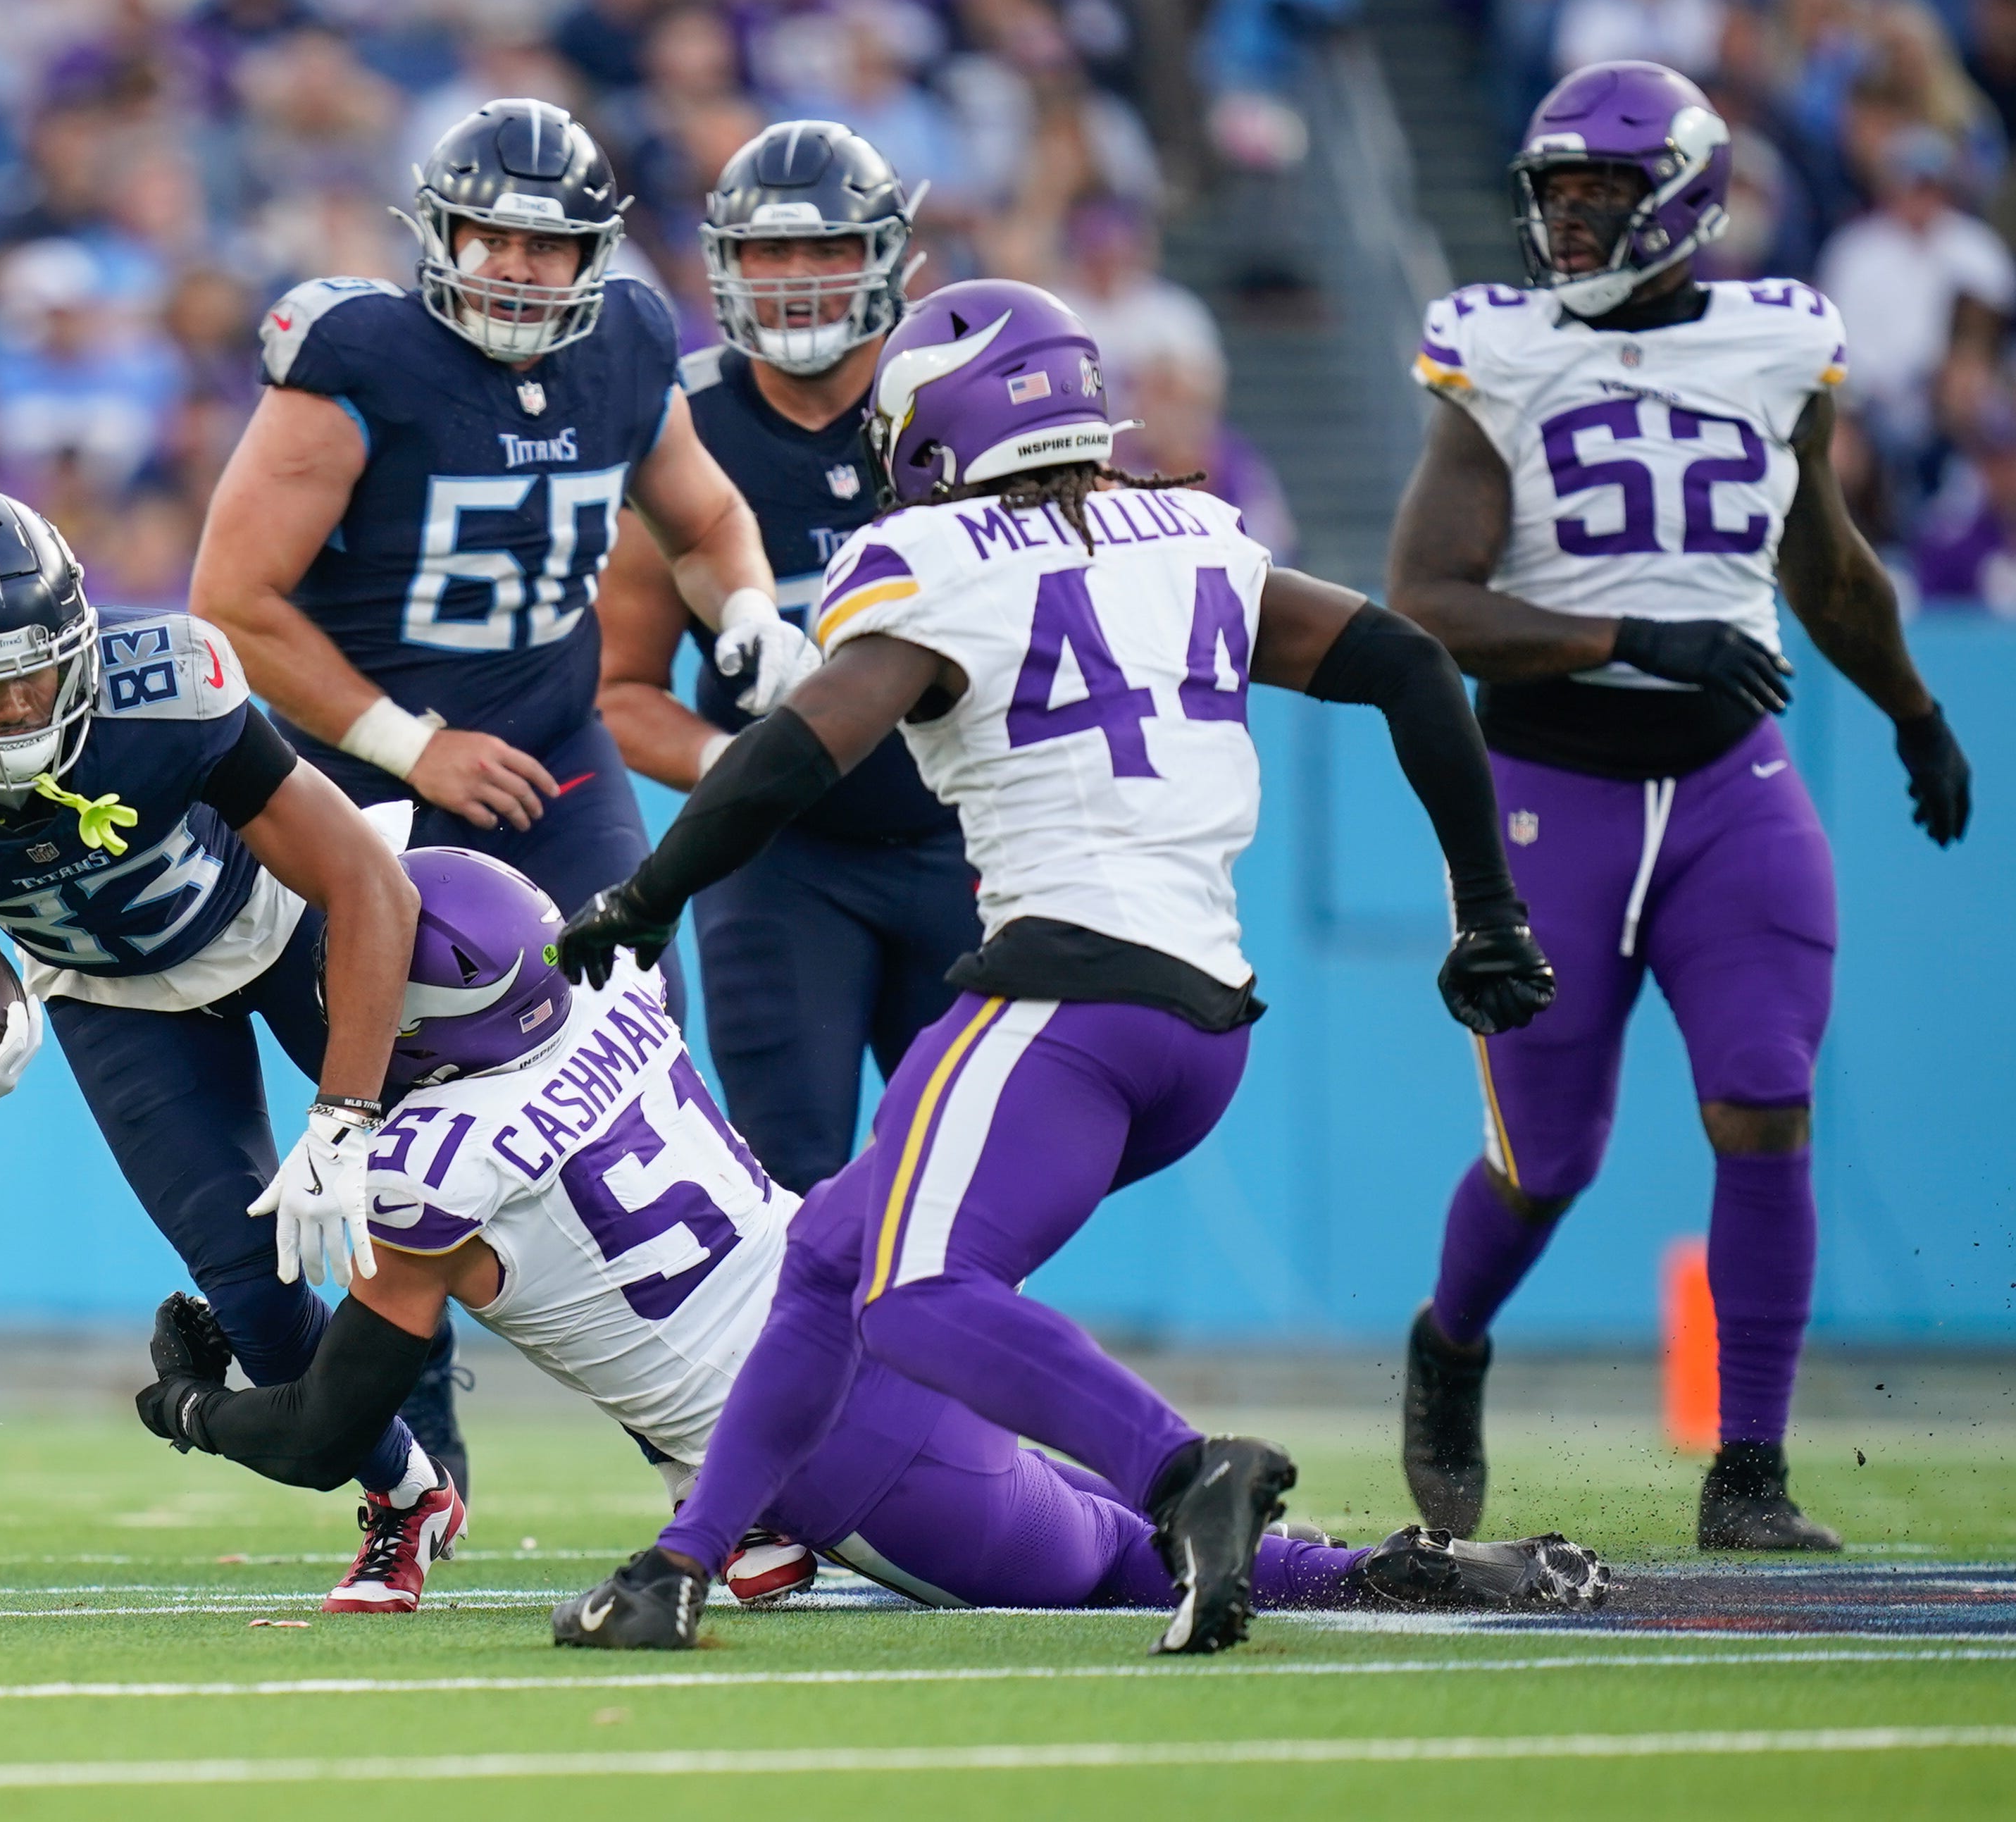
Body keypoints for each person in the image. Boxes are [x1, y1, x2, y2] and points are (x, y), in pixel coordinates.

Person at [551, 280, 1555, 1652]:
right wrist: (1485, 909)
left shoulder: (932, 560)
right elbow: (1411, 663)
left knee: (912, 1292)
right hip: (1198, 1022)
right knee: (826, 1261)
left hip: (1061, 1002)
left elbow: (796, 748)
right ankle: (681, 1560)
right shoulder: (1194, 530)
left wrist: (648, 895)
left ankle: (1180, 1470)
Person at [132, 849, 1605, 1634]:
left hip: (829, 1444)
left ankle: (1431, 1580)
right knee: (1137, 1534)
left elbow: (334, 1429)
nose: (353, 1002)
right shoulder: (610, 997)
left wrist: (190, 1408)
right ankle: (1418, 1565)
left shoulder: (436, 1174)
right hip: (856, 1302)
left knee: (1131, 1575)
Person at [1388, 60, 1972, 1552]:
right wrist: (1623, 635)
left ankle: (1748, 1476)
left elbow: (1827, 563)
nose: (1569, 226)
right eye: (1554, 197)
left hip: (1730, 784)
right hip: (1549, 789)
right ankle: (1447, 1346)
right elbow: (1428, 600)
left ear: (1681, 204)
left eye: (1599, 197)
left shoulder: (1773, 345)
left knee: (1763, 1101)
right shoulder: (1496, 351)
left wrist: (1912, 713)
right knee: (1549, 1159)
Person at [189, 98, 812, 1436]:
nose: (519, 270)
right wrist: (414, 746)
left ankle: (718, 1430)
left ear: (594, 253)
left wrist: (750, 605)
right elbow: (232, 603)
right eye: (492, 239)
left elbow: (702, 518)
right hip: (358, 780)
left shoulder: (631, 344)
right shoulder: (361, 360)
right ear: (441, 234)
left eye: (548, 247)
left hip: (550, 752)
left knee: (647, 1061)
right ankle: (416, 1448)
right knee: (385, 1124)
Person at [0, 489, 459, 1611]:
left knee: (478, 1197)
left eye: (35, 665)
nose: (19, 698)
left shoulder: (166, 690)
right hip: (115, 994)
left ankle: (705, 1462)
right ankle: (407, 1499)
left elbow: (364, 879)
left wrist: (344, 1115)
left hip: (283, 927)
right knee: (256, 1297)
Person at [594, 121, 978, 1193]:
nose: (797, 278)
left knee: (965, 1188)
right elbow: (618, 691)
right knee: (789, 1183)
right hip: (783, 858)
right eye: (769, 252)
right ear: (725, 262)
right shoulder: (683, 423)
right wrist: (742, 769)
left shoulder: (962, 407)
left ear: (890, 260)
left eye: (825, 250)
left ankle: (950, 1367)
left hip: (971, 837)